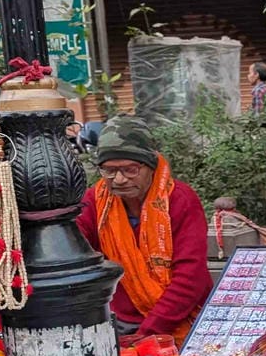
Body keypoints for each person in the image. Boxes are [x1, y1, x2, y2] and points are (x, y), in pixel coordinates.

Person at [76, 117, 213, 344]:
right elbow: (75, 250)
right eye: (109, 170)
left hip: (181, 320)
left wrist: (147, 334)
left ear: (151, 166)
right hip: (119, 321)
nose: (119, 179)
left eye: (130, 169)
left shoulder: (179, 200)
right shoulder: (95, 201)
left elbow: (191, 277)